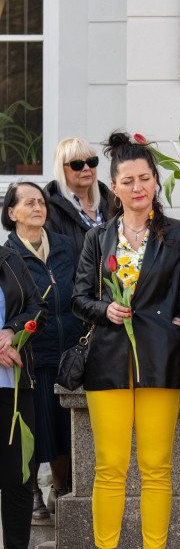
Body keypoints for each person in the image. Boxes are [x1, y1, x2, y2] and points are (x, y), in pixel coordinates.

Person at [71, 132, 180, 549]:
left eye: (145, 179)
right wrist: (103, 310)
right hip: (108, 363)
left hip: (160, 360)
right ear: (113, 187)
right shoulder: (97, 236)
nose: (137, 188)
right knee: (109, 467)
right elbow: (79, 297)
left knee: (156, 466)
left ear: (155, 182)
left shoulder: (178, 235)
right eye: (127, 180)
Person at [3, 183, 82, 520]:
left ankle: (61, 489)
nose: (38, 208)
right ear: (11, 213)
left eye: (41, 202)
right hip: (34, 354)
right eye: (29, 202)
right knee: (38, 425)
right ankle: (33, 489)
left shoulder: (66, 246)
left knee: (66, 426)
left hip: (71, 349)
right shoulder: (8, 256)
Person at [0, 243, 48, 549]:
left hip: (14, 388)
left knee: (19, 478)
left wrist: (13, 331)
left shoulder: (9, 260)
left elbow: (38, 309)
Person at [43, 137, 115, 260]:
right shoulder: (50, 209)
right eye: (77, 164)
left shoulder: (110, 200)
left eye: (92, 162)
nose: (86, 168)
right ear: (61, 169)